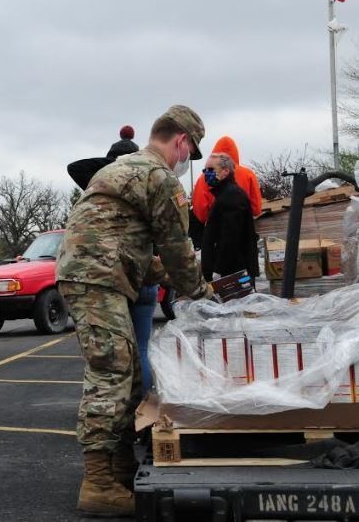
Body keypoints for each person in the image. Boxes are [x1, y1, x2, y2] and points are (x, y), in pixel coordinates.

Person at [56, 105, 214, 517]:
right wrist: (202, 292)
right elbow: (178, 248)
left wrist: (171, 276)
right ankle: (98, 483)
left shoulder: (127, 167)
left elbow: (135, 246)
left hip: (97, 272)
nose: (186, 162)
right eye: (189, 152)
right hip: (98, 276)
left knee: (131, 373)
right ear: (181, 140)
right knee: (112, 371)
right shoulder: (158, 176)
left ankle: (121, 466)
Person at [67, 124, 156, 394]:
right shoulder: (148, 192)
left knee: (106, 354)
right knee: (141, 344)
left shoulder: (98, 200)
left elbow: (76, 168)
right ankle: (143, 404)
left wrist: (110, 165)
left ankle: (112, 409)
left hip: (110, 278)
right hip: (143, 276)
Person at [200, 153, 260, 284]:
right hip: (231, 271)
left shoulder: (231, 195)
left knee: (237, 304)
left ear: (226, 171)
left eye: (211, 170)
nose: (206, 174)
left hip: (233, 273)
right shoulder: (225, 194)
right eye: (205, 170)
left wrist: (218, 271)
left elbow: (230, 238)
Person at [192, 136, 262, 224]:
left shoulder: (204, 177)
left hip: (216, 229)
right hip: (243, 228)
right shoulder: (248, 174)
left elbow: (200, 211)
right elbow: (256, 208)